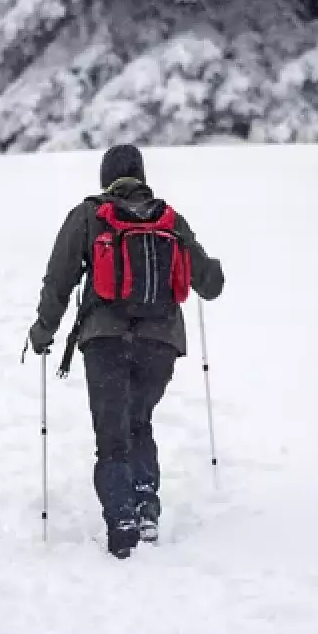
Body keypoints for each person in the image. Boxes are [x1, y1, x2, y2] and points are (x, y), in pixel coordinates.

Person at [26, 144, 225, 558]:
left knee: (112, 434)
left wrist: (44, 331)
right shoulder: (169, 218)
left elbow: (58, 279)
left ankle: (122, 520)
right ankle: (146, 507)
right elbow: (210, 284)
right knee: (140, 421)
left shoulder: (89, 215)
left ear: (106, 178)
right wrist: (214, 267)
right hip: (162, 342)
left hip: (104, 341)